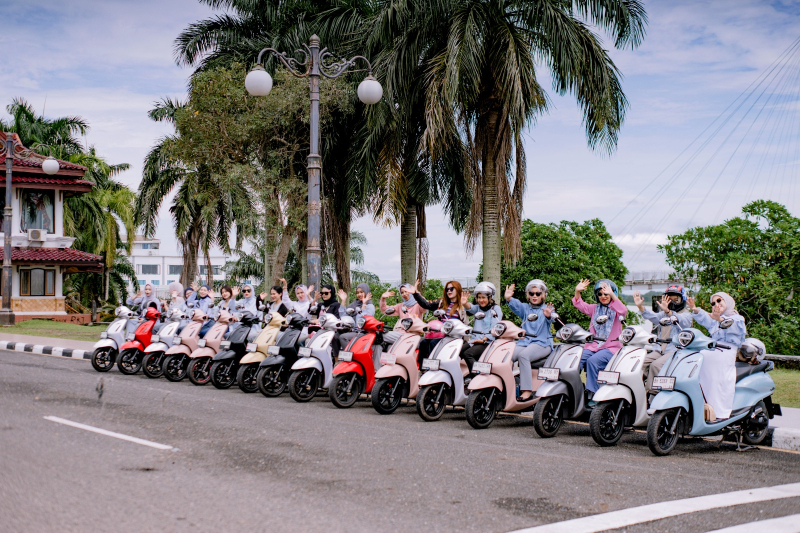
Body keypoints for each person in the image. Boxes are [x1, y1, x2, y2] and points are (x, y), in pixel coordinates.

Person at [689, 292, 746, 420]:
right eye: (713, 303)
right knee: (697, 358)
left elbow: (734, 327)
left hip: (727, 350)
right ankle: (701, 405)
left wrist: (720, 319)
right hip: (714, 349)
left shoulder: (737, 318)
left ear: (728, 301)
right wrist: (694, 308)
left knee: (714, 374)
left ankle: (720, 411)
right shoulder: (715, 319)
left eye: (719, 300)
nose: (717, 304)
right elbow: (705, 317)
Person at [572, 278, 628, 403]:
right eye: (600, 294)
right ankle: (574, 391)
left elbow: (623, 311)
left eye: (606, 294)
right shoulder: (594, 309)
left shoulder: (617, 310)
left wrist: (613, 295)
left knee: (593, 362)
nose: (603, 296)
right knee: (576, 361)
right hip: (593, 347)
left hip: (611, 348)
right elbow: (579, 304)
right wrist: (577, 291)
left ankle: (594, 394)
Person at [634, 285, 694, 392]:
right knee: (640, 362)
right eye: (669, 299)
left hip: (676, 351)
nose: (672, 302)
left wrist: (668, 312)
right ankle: (637, 391)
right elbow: (652, 317)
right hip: (660, 349)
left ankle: (653, 394)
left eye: (676, 299)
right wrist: (640, 307)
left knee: (655, 366)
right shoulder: (663, 314)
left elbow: (680, 320)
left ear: (682, 300)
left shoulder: (686, 315)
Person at [504, 280, 555, 401]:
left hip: (542, 344)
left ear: (543, 295)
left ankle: (526, 391)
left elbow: (552, 319)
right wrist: (508, 298)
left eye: (538, 293)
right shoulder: (525, 308)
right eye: (531, 293)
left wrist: (548, 315)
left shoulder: (546, 309)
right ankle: (507, 387)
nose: (534, 296)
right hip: (524, 342)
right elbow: (515, 305)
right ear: (528, 295)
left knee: (523, 356)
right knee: (507, 355)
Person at [407, 280, 468, 367]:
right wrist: (415, 294)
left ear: (457, 290)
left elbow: (468, 315)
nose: (449, 291)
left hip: (453, 336)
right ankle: (422, 368)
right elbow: (426, 305)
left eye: (451, 289)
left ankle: (434, 366)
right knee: (424, 342)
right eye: (447, 289)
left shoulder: (462, 305)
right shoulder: (442, 303)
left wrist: (464, 305)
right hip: (440, 333)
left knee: (433, 343)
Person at [461, 282, 503, 372]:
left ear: (490, 297)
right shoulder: (478, 308)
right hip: (475, 340)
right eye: (479, 298)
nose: (481, 300)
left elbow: (495, 327)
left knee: (468, 354)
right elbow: (470, 307)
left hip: (488, 342)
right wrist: (464, 303)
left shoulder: (495, 309)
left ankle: (477, 379)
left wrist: (484, 339)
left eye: (483, 297)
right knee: (458, 351)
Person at [338, 283, 375, 348]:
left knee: (343, 337)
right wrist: (343, 301)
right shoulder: (354, 304)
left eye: (362, 292)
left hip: (364, 333)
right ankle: (336, 357)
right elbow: (343, 317)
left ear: (367, 292)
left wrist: (364, 304)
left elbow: (361, 321)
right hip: (353, 331)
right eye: (357, 293)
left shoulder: (370, 306)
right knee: (335, 336)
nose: (359, 294)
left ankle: (350, 356)